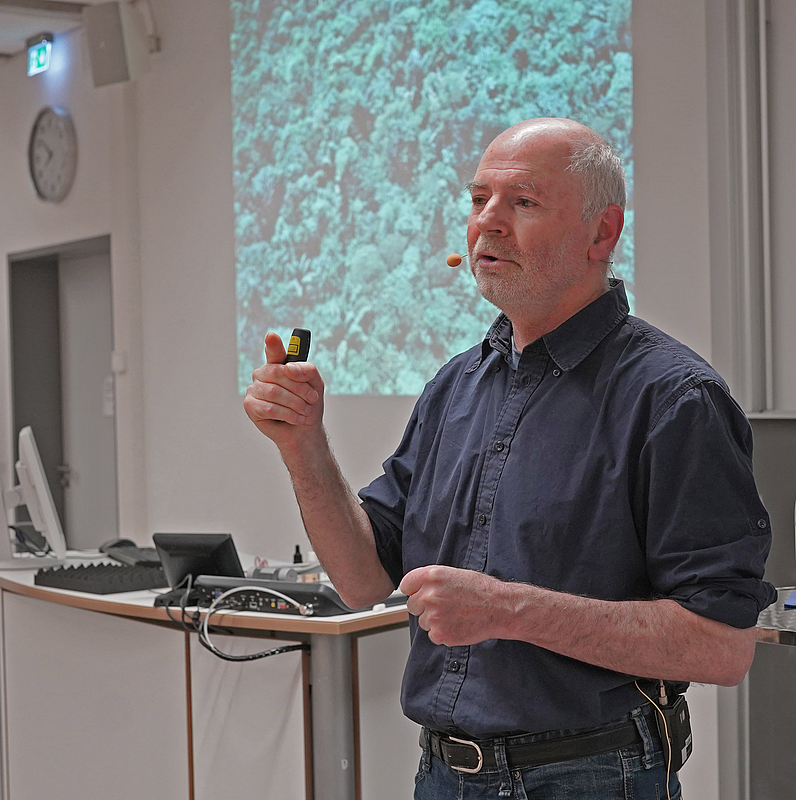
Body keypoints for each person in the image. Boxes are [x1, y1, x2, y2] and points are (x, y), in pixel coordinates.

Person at [243, 117, 775, 799]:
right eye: (477, 199)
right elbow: (364, 580)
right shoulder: (455, 387)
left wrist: (507, 610)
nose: (488, 222)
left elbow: (722, 645)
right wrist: (302, 444)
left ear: (601, 234)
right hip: (443, 775)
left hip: (592, 778)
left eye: (522, 202)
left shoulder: (673, 399)